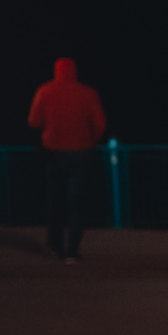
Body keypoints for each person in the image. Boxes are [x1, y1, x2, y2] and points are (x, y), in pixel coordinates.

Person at [27, 58, 106, 262]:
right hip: (81, 153)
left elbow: (33, 121)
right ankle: (72, 252)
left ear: (56, 71)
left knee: (55, 200)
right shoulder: (88, 93)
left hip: (53, 153)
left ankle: (55, 246)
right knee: (77, 202)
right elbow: (100, 124)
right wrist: (91, 141)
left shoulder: (44, 91)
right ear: (74, 71)